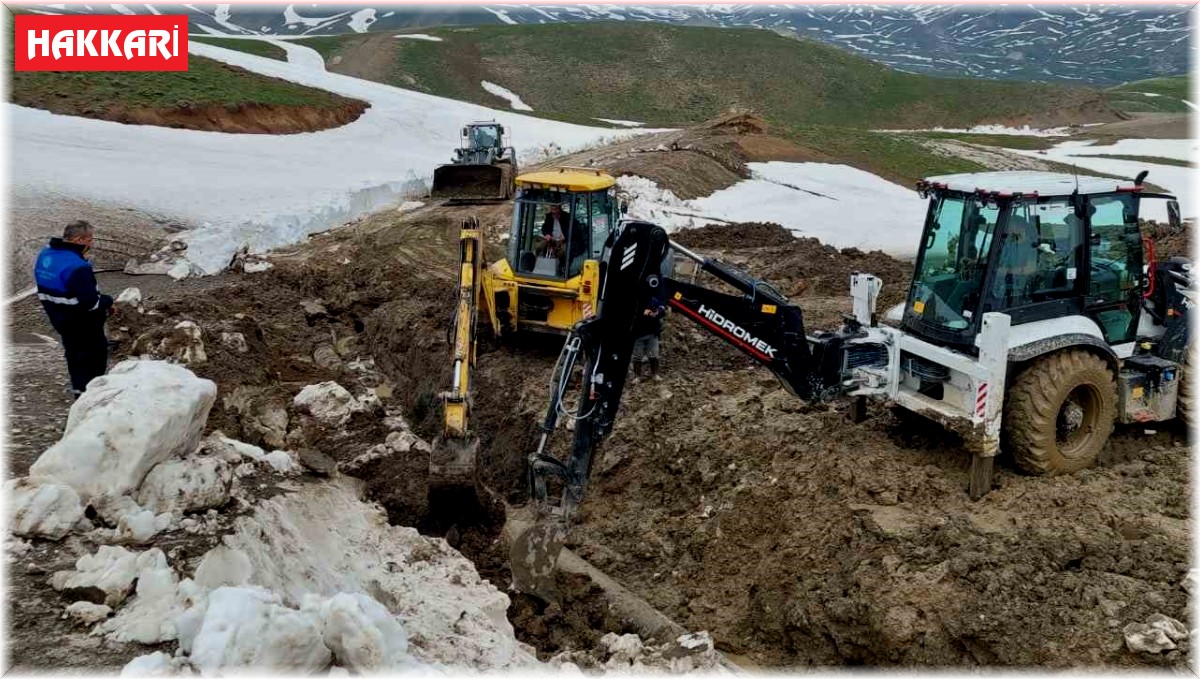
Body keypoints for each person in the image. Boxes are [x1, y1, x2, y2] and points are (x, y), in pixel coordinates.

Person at [34, 220, 114, 398]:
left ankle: (79, 391)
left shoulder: (46, 254)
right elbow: (90, 303)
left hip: (60, 319)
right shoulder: (77, 266)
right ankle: (91, 399)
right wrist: (108, 301)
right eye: (89, 239)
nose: (91, 243)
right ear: (79, 239)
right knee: (93, 359)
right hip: (83, 322)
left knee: (74, 355)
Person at [539, 203, 588, 274]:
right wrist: (547, 234)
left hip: (567, 241)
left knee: (565, 249)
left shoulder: (568, 217)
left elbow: (575, 231)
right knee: (539, 244)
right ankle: (539, 265)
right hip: (553, 239)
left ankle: (564, 268)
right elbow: (544, 227)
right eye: (552, 210)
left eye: (555, 209)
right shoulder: (549, 217)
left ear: (560, 208)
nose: (554, 212)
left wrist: (565, 236)